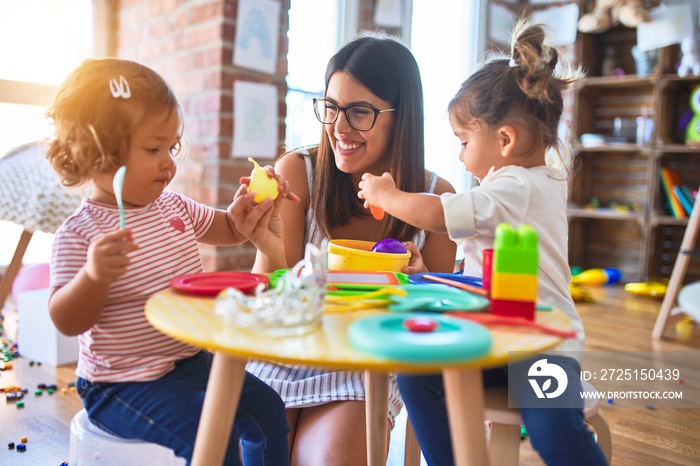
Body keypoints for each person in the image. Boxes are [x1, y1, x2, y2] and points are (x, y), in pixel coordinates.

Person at [357, 20, 608, 466]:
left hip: (539, 345)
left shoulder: (518, 186)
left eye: (464, 140)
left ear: (505, 140)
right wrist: (431, 277)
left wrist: (386, 195)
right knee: (419, 375)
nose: (459, 155)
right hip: (494, 337)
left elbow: (438, 213)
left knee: (553, 435)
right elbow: (482, 274)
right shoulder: (515, 187)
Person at [45, 58, 296, 466]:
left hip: (188, 362)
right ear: (98, 154)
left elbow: (231, 229)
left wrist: (251, 206)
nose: (168, 162)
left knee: (269, 411)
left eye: (171, 147)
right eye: (152, 148)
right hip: (120, 384)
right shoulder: (80, 233)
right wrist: (94, 276)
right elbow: (66, 320)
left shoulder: (172, 207)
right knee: (211, 438)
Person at [234, 33, 457, 465]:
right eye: (332, 107)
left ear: (402, 117)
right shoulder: (296, 173)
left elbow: (439, 330)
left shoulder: (435, 199)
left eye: (359, 112)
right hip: (284, 349)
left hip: (364, 366)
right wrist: (268, 247)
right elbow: (268, 299)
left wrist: (420, 287)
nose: (339, 128)